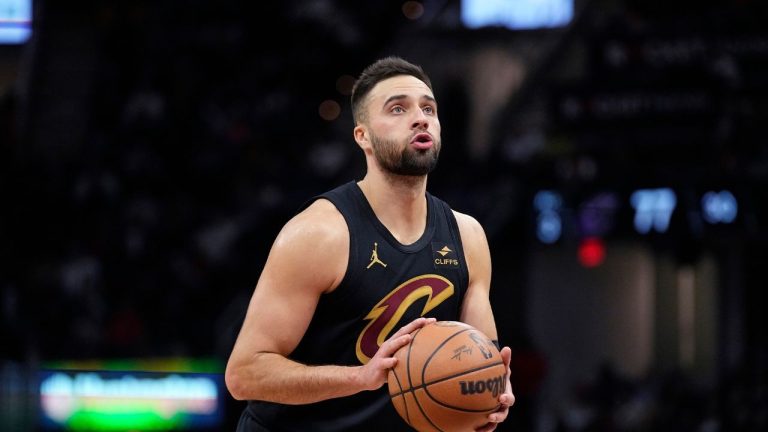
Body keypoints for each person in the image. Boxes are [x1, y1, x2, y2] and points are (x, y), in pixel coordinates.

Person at [225, 56, 515, 431]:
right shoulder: (320, 234)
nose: (420, 118)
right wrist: (361, 377)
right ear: (363, 136)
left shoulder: (467, 235)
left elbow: (481, 357)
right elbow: (244, 374)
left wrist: (491, 392)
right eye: (398, 108)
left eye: (429, 108)